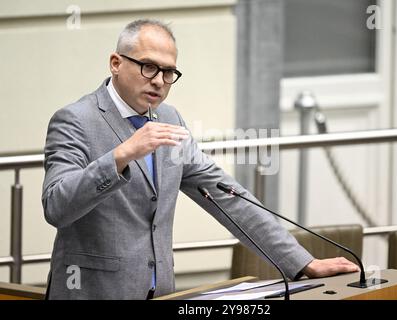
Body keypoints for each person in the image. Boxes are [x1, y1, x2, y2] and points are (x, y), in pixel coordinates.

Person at [42, 19, 358, 300]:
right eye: (148, 67)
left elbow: (225, 194)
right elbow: (57, 206)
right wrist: (121, 155)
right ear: (115, 62)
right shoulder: (75, 120)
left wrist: (302, 263)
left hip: (162, 292)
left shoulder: (168, 118)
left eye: (168, 72)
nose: (158, 81)